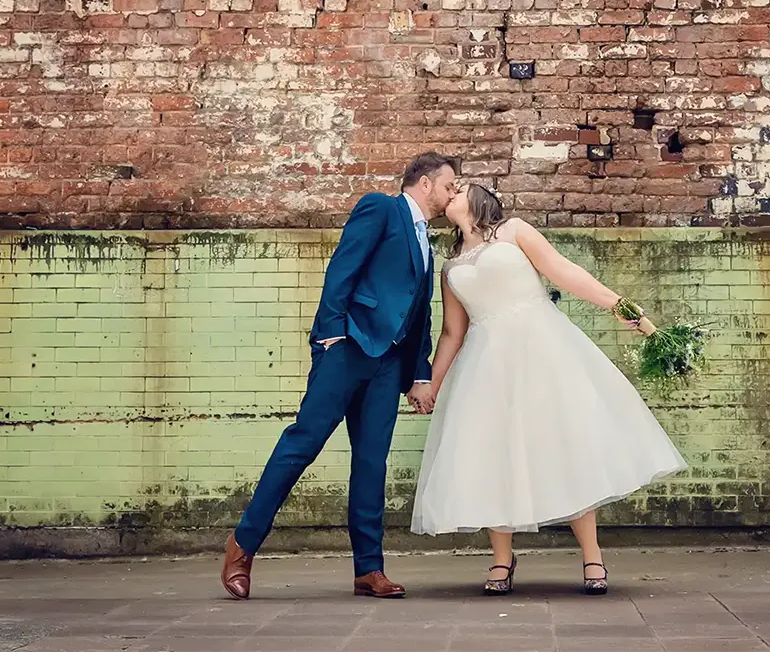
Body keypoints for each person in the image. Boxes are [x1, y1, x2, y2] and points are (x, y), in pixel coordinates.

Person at [410, 184, 688, 596]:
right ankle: (502, 561)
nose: (451, 193)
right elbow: (452, 332)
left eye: (460, 188)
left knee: (565, 443)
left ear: (481, 199)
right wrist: (429, 384)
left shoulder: (515, 230)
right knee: (493, 453)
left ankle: (592, 555)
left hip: (542, 349)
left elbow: (565, 272)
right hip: (485, 364)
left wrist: (626, 310)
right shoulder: (450, 265)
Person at [221, 152, 457, 599]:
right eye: (449, 185)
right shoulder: (381, 207)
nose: (452, 194)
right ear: (424, 183)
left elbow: (419, 313)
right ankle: (242, 545)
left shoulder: (427, 241)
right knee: (301, 446)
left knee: (371, 464)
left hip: (389, 364)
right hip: (348, 349)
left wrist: (419, 374)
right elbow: (341, 271)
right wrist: (329, 335)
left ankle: (369, 569)